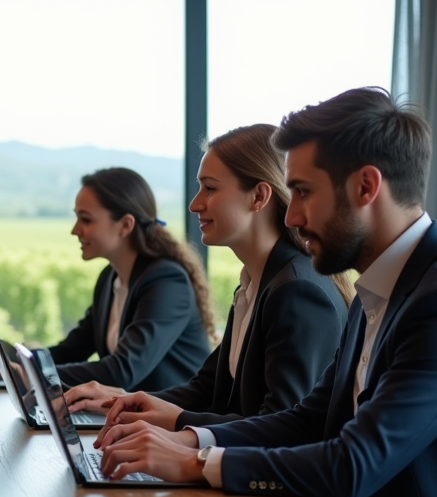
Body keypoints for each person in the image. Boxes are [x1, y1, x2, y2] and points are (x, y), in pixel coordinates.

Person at [99, 87, 437, 497]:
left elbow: (352, 464)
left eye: (305, 193)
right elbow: (308, 419)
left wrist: (196, 460)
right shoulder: (379, 290)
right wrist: (188, 437)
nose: (290, 215)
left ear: (366, 187)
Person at [64, 125, 351, 429]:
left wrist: (177, 427)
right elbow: (206, 388)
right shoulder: (255, 283)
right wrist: (125, 400)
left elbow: (281, 426)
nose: (194, 204)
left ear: (259, 196)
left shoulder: (297, 290)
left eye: (210, 188)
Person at [0, 167, 214, 393]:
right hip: (130, 422)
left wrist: (34, 376)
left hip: (172, 429)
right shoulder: (110, 278)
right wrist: (13, 359)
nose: (75, 229)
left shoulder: (167, 282)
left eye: (86, 219)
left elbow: (122, 371)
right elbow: (71, 350)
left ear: (125, 225)